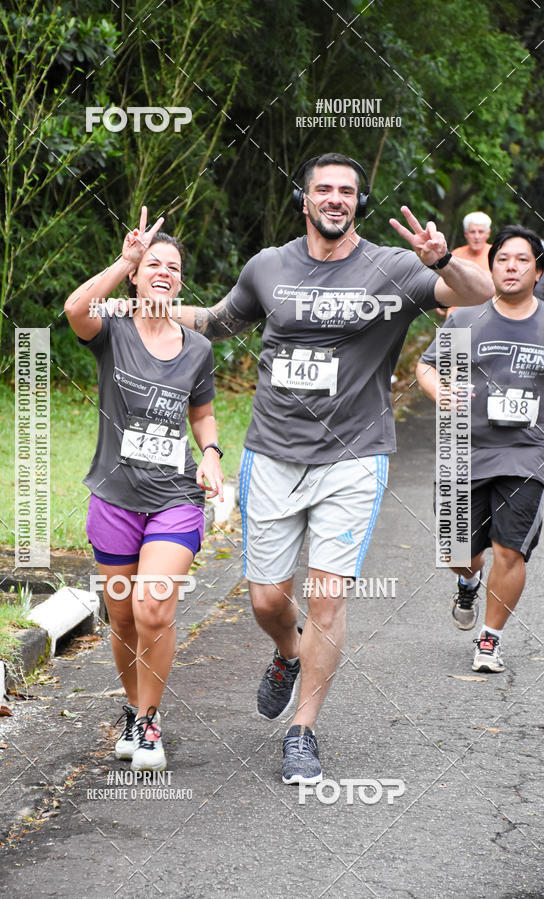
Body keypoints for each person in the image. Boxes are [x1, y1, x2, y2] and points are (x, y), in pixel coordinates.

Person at [176, 152, 494, 784]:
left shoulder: (393, 267)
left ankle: (303, 730)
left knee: (326, 598)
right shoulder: (269, 266)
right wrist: (150, 309)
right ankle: (287, 653)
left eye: (347, 191)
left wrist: (441, 259)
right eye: (324, 189)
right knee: (268, 599)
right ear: (305, 199)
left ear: (357, 202)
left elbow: (481, 294)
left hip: (353, 456)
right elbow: (218, 320)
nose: (336, 199)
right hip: (270, 452)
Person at [64, 207, 224, 771]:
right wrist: (123, 259)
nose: (163, 271)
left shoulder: (196, 349)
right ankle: (133, 709)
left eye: (172, 266)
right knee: (123, 617)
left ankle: (151, 722)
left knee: (152, 606)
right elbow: (74, 310)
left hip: (175, 497)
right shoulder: (113, 331)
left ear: (180, 280)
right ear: (136, 275)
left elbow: (202, 416)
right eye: (152, 263)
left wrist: (209, 454)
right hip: (113, 496)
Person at [416, 224, 544, 673]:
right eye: (503, 259)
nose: (511, 267)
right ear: (491, 268)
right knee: (459, 554)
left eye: (522, 260)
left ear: (538, 271)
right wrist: (441, 392)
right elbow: (427, 367)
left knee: (509, 550)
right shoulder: (467, 318)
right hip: (463, 451)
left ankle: (490, 639)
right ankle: (469, 582)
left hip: (527, 455)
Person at [440, 211, 493, 318]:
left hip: (487, 316)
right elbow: (441, 281)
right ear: (466, 234)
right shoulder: (455, 255)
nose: (476, 237)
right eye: (472, 232)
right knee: (450, 334)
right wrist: (435, 300)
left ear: (488, 233)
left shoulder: (497, 254)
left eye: (481, 232)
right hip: (457, 315)